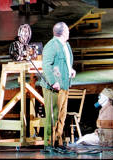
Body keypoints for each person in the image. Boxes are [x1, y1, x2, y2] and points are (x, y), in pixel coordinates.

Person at [41, 21, 76, 149]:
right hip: (54, 88)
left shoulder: (66, 45)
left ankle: (58, 142)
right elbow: (46, 65)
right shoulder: (52, 45)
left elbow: (66, 62)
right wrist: (53, 81)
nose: (69, 32)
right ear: (62, 32)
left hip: (64, 85)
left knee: (62, 116)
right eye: (67, 30)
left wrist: (70, 70)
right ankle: (49, 144)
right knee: (53, 116)